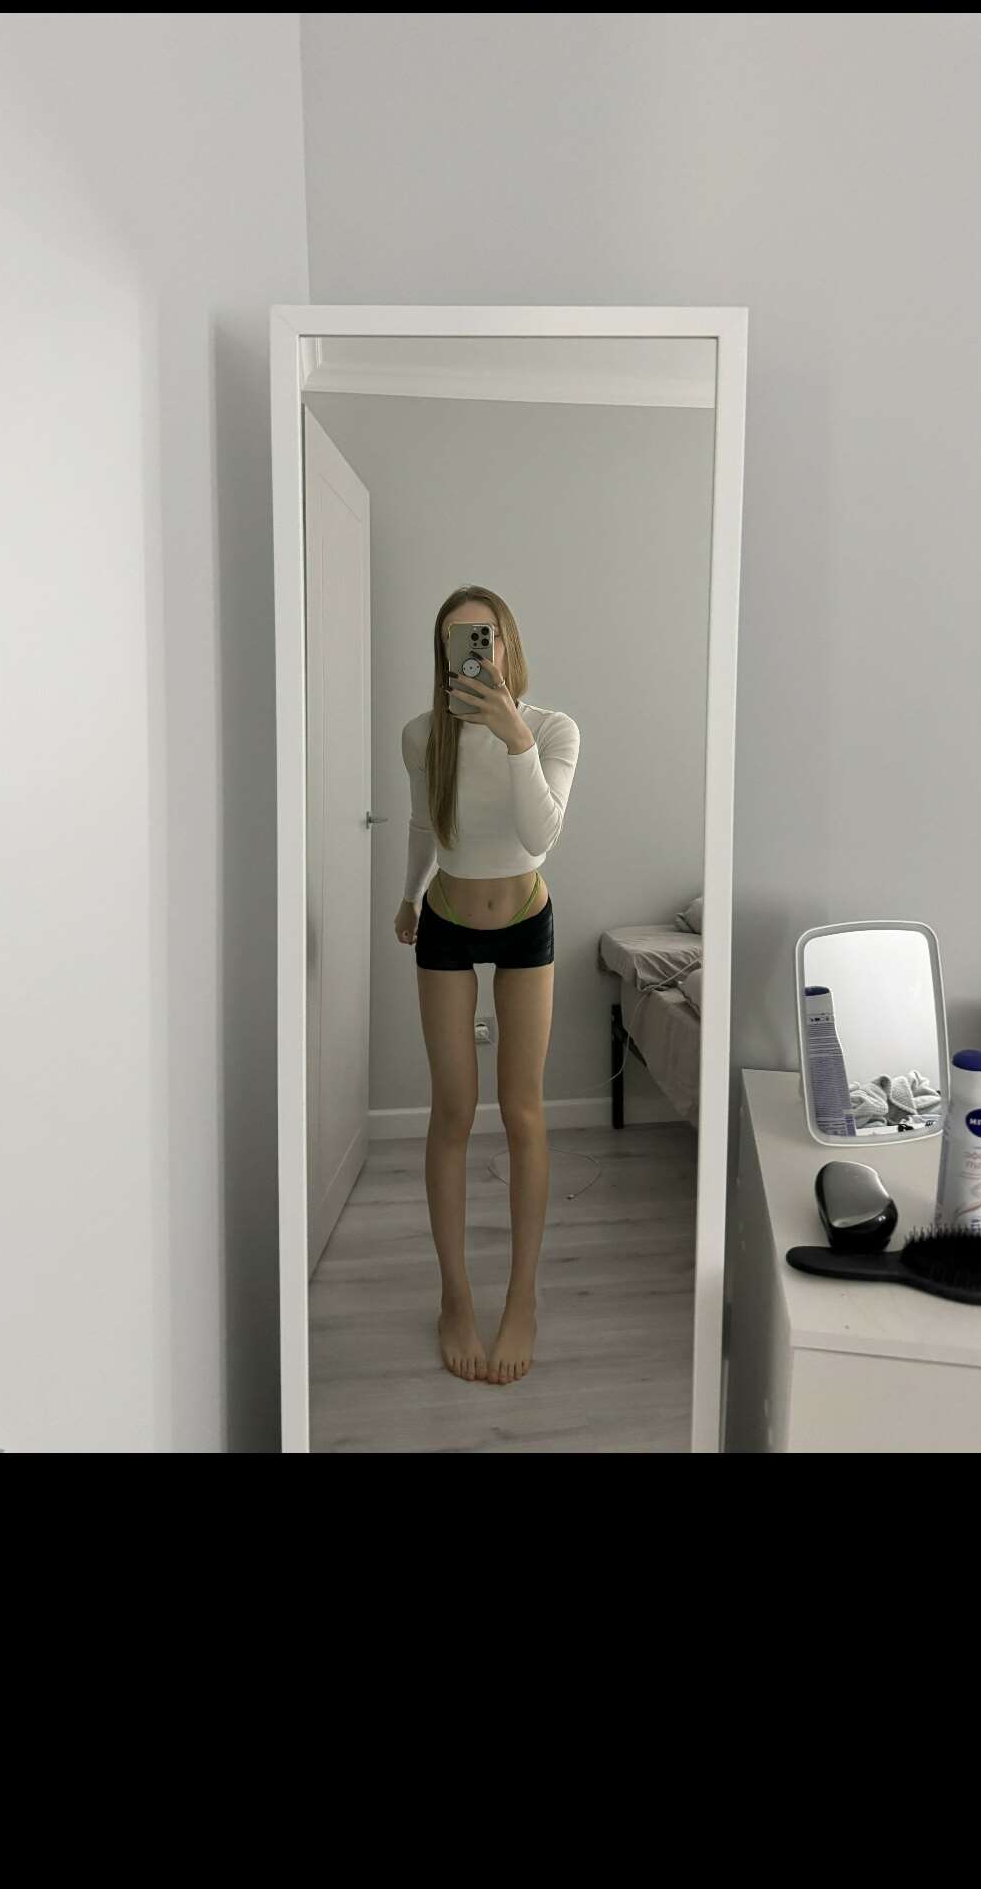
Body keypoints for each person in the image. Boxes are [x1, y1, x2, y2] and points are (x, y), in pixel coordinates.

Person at [395, 587, 580, 1388]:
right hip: (445, 920)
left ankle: (522, 1298)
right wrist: (407, 896)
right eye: (458, 638)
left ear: (507, 644)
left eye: (485, 635)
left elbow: (541, 836)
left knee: (524, 1111)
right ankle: (455, 1297)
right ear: (443, 653)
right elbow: (422, 823)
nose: (474, 648)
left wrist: (514, 739)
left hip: (526, 922)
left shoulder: (552, 730)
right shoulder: (421, 736)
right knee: (453, 1112)